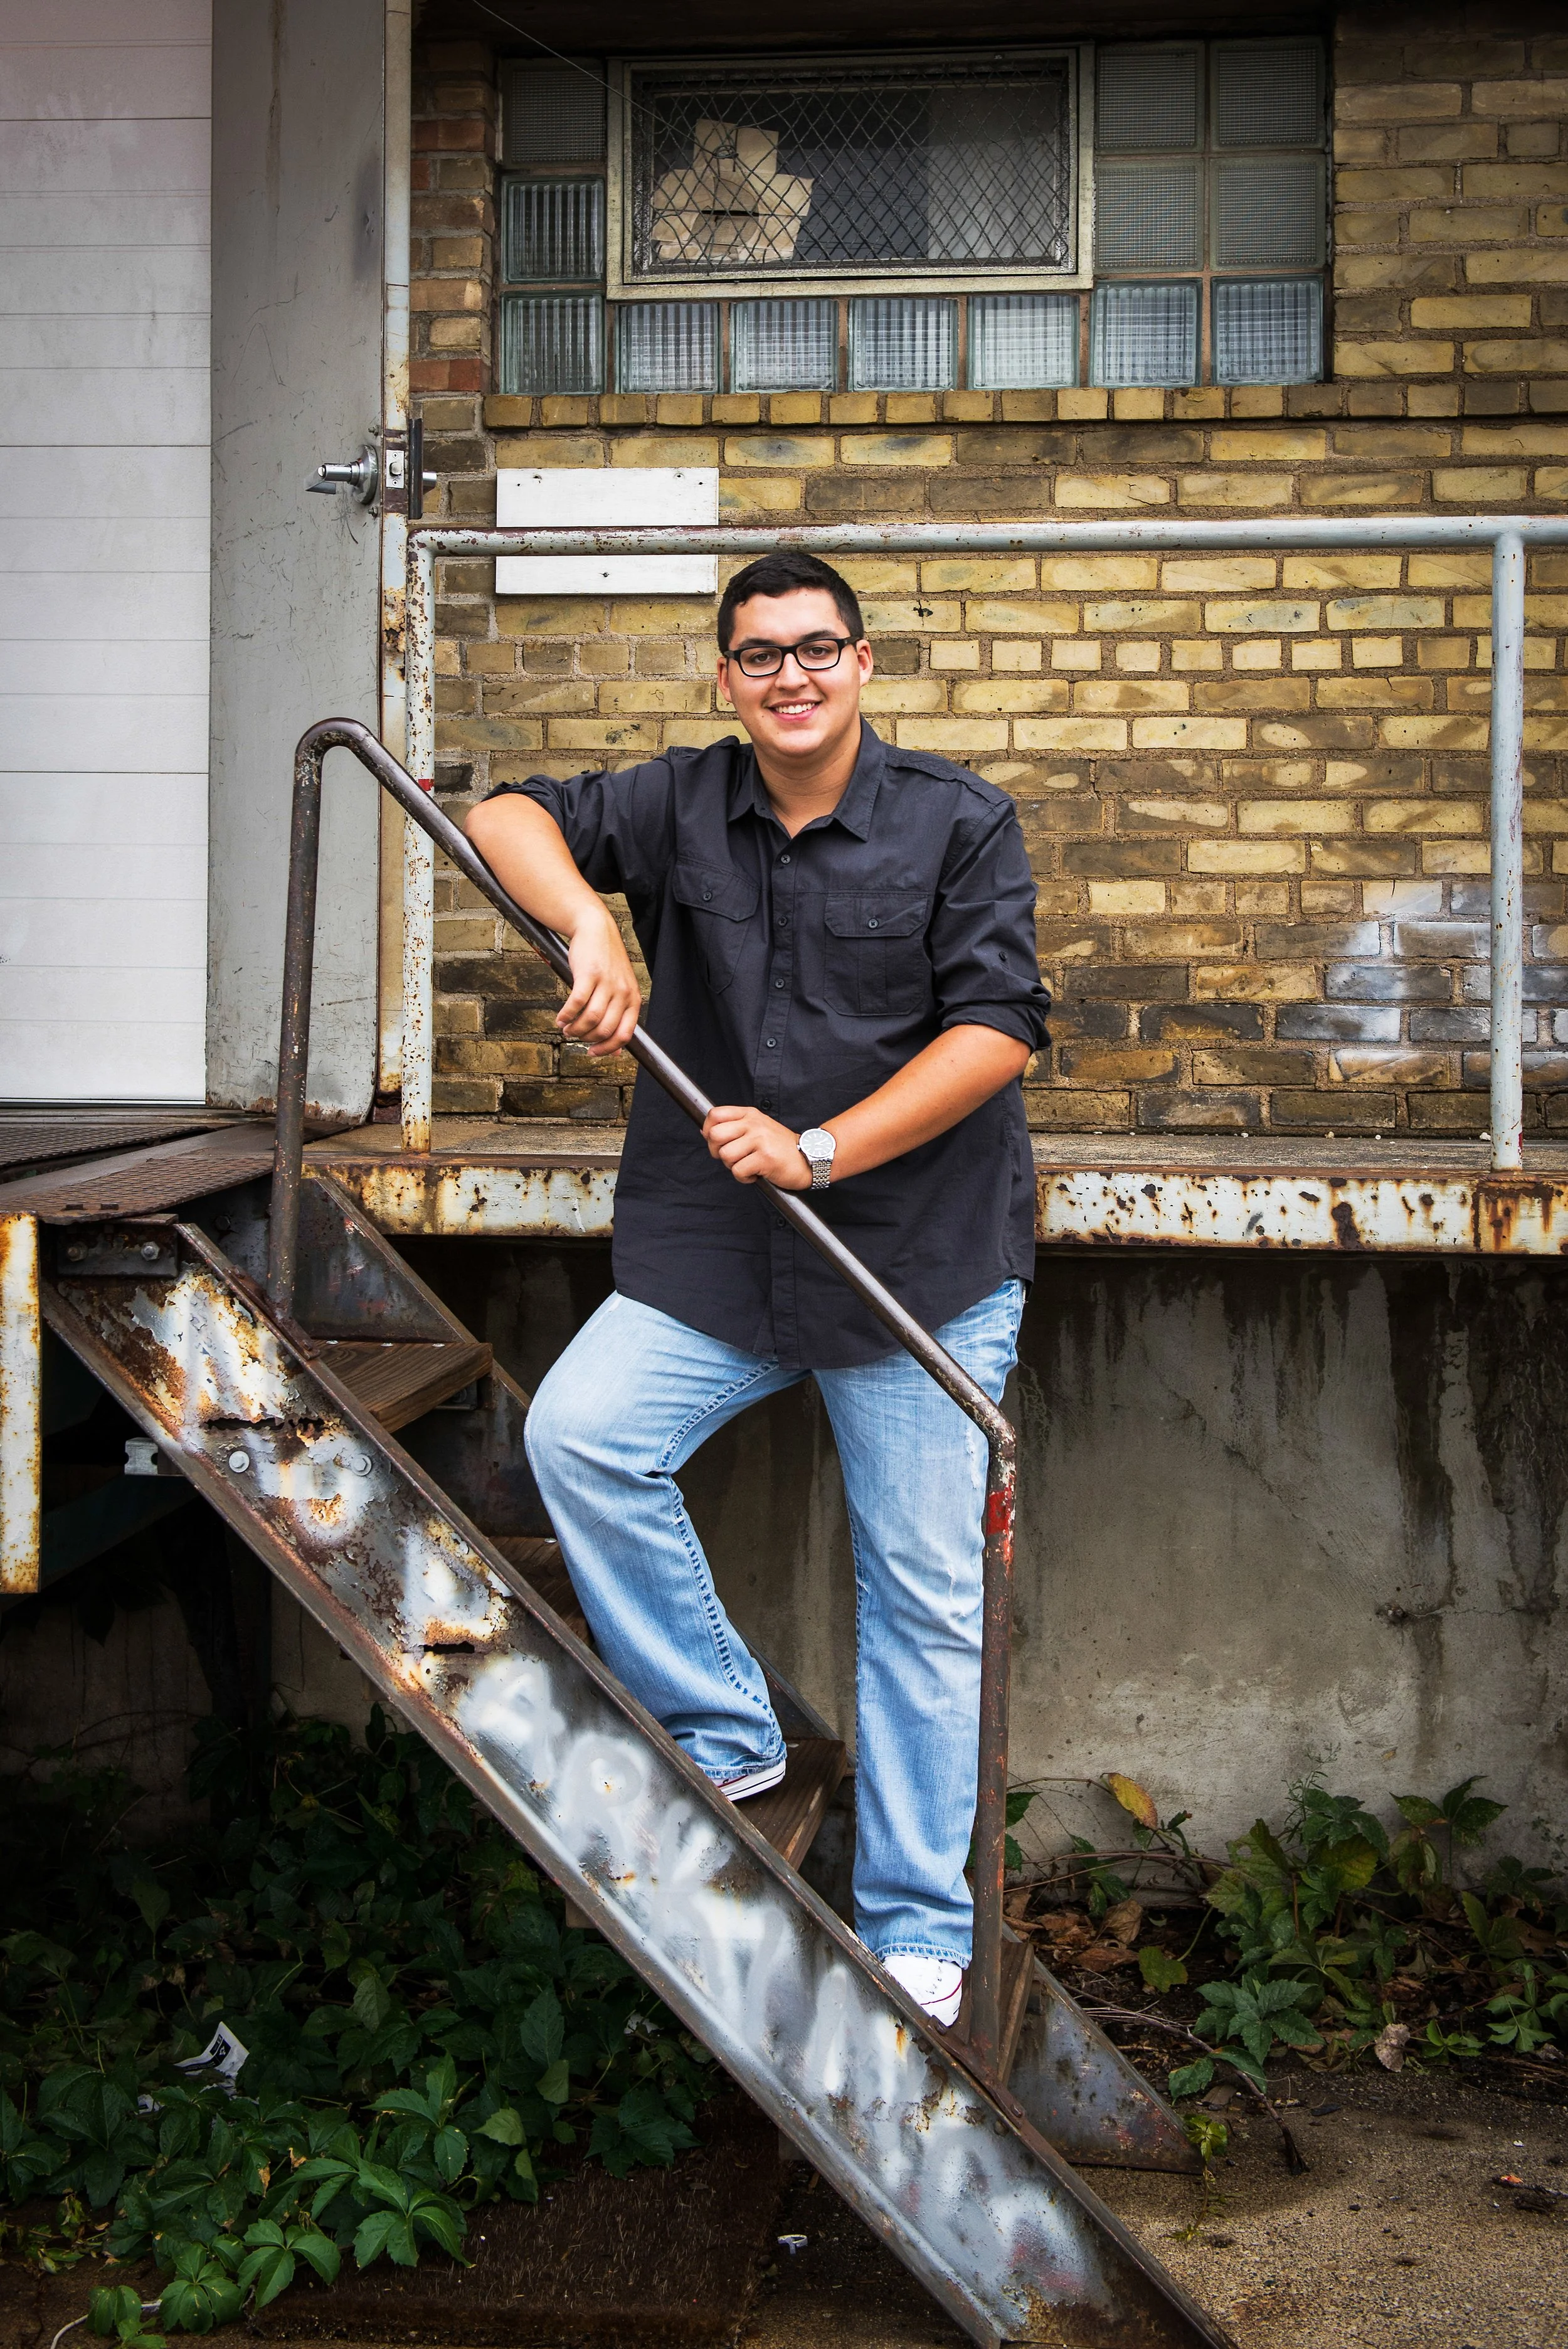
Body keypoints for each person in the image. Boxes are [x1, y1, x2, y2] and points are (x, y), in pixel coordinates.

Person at [465, 552, 1049, 2023]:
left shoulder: (959, 823)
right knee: (583, 1435)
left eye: (815, 648)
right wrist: (590, 925)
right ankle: (727, 1729)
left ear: (864, 665)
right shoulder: (674, 802)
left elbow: (999, 1033)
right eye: (758, 654)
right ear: (723, 679)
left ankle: (920, 1924)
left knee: (920, 1602)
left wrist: (824, 1147)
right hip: (720, 1253)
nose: (789, 675)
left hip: (915, 1256)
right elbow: (501, 814)